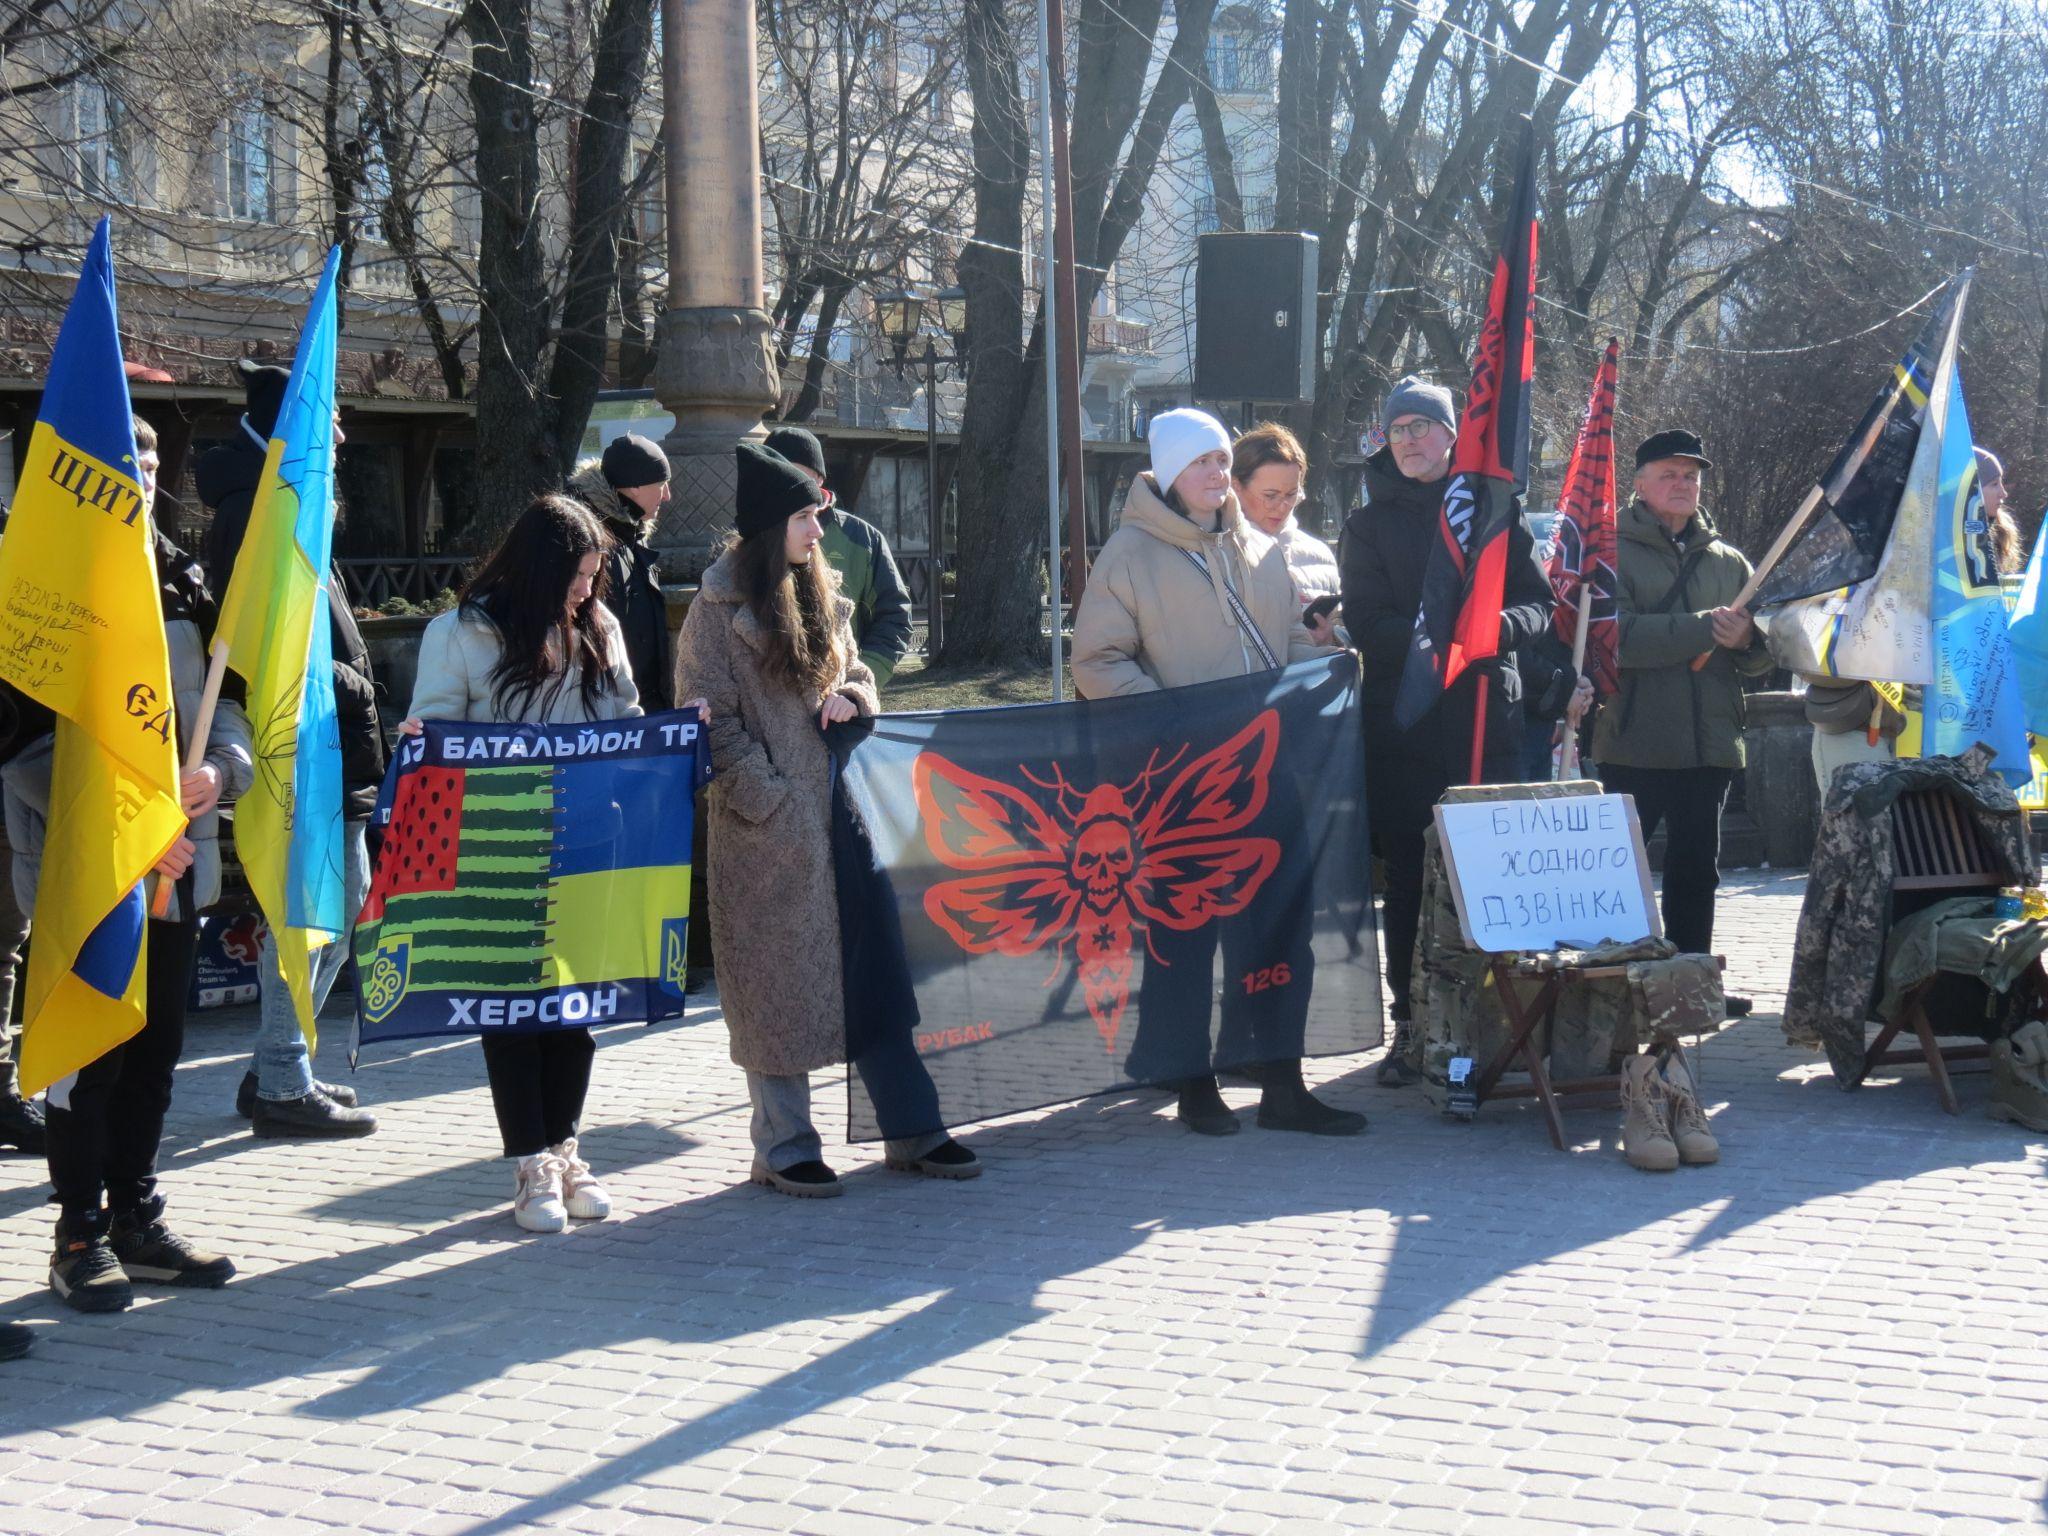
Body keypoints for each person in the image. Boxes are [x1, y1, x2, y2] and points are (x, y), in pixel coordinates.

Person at [676, 441, 977, 1196]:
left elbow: (859, 673)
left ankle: (911, 1127)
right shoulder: (712, 616)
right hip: (767, 835)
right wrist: (767, 799)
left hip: (843, 816)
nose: (821, 526)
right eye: (808, 514)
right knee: (774, 990)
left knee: (875, 974)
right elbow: (707, 721)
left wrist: (858, 700)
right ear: (773, 523)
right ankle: (783, 1144)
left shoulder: (822, 590)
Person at [4, 415, 254, 1313]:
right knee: (92, 1054)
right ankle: (77, 1237)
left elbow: (230, 703)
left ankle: (135, 1221)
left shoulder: (185, 579)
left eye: (151, 462)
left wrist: (221, 771)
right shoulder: (37, 588)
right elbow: (23, 749)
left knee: (157, 1050)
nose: (141, 476)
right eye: (123, 463)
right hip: (89, 875)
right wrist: (134, 823)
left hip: (177, 869)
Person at [1071, 407, 1361, 1138]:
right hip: (1179, 783)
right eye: (1201, 462)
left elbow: (1289, 642)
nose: (1217, 473)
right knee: (1184, 934)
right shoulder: (1131, 554)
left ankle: (1284, 1081)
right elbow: (1095, 662)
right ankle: (1190, 1075)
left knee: (1280, 929)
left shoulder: (1256, 550)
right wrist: (1176, 718)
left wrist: (1331, 657)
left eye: (1221, 460)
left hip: (1266, 771)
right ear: (1170, 471)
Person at [404, 495, 641, 1233]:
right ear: (541, 568)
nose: (586, 589)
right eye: (575, 575)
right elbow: (437, 726)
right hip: (497, 843)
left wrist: (664, 740)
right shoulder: (461, 633)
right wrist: (424, 739)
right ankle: (530, 1163)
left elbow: (625, 719)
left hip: (585, 838)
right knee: (512, 1010)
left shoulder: (599, 626)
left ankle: (568, 1149)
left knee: (575, 1008)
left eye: (594, 575)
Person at [1339, 377, 1552, 1085]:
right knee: (1407, 879)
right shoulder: (1366, 526)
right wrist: (1447, 642)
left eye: (1422, 427)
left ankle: (1495, 1025)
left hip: (1487, 723)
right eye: (1397, 429)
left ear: (1451, 435)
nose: (1409, 441)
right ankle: (1411, 1025)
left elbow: (1537, 608)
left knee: (1485, 880)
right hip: (1405, 728)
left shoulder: (1494, 511)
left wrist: (1489, 632)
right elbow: (1369, 624)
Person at [198, 370, 380, 1139]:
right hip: (299, 743)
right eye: (330, 420)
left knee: (340, 914)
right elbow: (270, 649)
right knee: (310, 914)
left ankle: (279, 1063)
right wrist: (344, 684)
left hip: (333, 739)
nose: (341, 436)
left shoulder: (291, 501)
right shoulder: (257, 511)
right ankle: (281, 1075)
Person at [1591, 430, 1773, 1013]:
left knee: (1699, 872)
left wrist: (1747, 639)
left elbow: (1765, 657)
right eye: (1668, 474)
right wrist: (1701, 629)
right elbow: (1611, 638)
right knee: (1620, 876)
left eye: (1690, 476)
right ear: (1638, 484)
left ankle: (1693, 983)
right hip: (1634, 743)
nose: (1681, 484)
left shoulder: (1729, 560)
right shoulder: (1607, 552)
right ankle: (1612, 986)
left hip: (1710, 745)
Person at [762, 427, 915, 686]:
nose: (786, 482)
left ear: (819, 479)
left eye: (796, 473)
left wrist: (857, 684)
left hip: (842, 710)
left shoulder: (864, 539)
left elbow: (895, 617)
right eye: (776, 473)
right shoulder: (740, 543)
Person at [566, 432, 674, 711]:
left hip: (640, 703)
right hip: (605, 707)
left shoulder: (631, 536)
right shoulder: (584, 539)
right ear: (634, 487)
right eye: (661, 484)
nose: (667, 496)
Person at [1232, 422, 1342, 646]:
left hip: (1306, 678)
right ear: (1236, 488)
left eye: (1291, 494)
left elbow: (1346, 631)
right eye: (1270, 495)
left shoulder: (1318, 554)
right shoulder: (1217, 553)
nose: (1283, 506)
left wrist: (1331, 638)